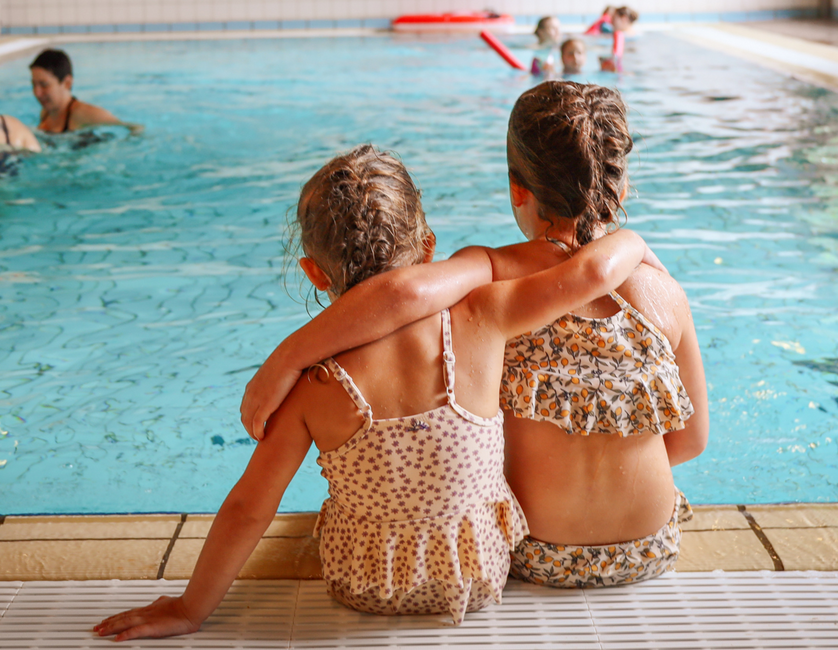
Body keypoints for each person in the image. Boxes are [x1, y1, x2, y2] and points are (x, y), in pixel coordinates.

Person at [94, 146, 659, 640]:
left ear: (315, 273)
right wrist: (630, 239)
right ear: (429, 246)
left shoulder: (312, 384)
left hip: (361, 584)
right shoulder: (483, 317)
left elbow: (247, 509)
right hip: (478, 576)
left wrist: (190, 609)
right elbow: (583, 273)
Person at [240, 81, 708, 590]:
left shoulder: (492, 273)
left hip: (536, 550)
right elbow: (690, 442)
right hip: (650, 545)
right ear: (618, 187)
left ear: (516, 189)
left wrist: (287, 357)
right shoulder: (665, 293)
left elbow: (400, 295)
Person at [29, 48, 143, 135]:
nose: (37, 93)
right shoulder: (45, 113)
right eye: (34, 84)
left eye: (44, 85)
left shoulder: (84, 114)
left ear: (67, 83)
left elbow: (136, 128)